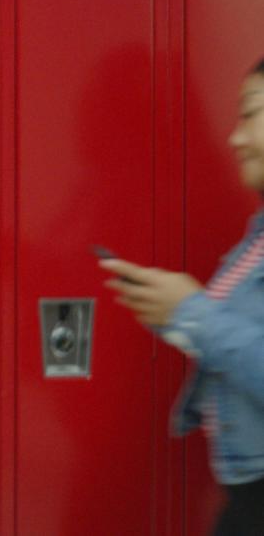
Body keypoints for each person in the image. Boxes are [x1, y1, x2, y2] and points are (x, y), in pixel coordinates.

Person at [102, 58, 264, 536]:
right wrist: (169, 310)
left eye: (250, 114)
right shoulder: (256, 236)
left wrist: (191, 314)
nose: (235, 138)